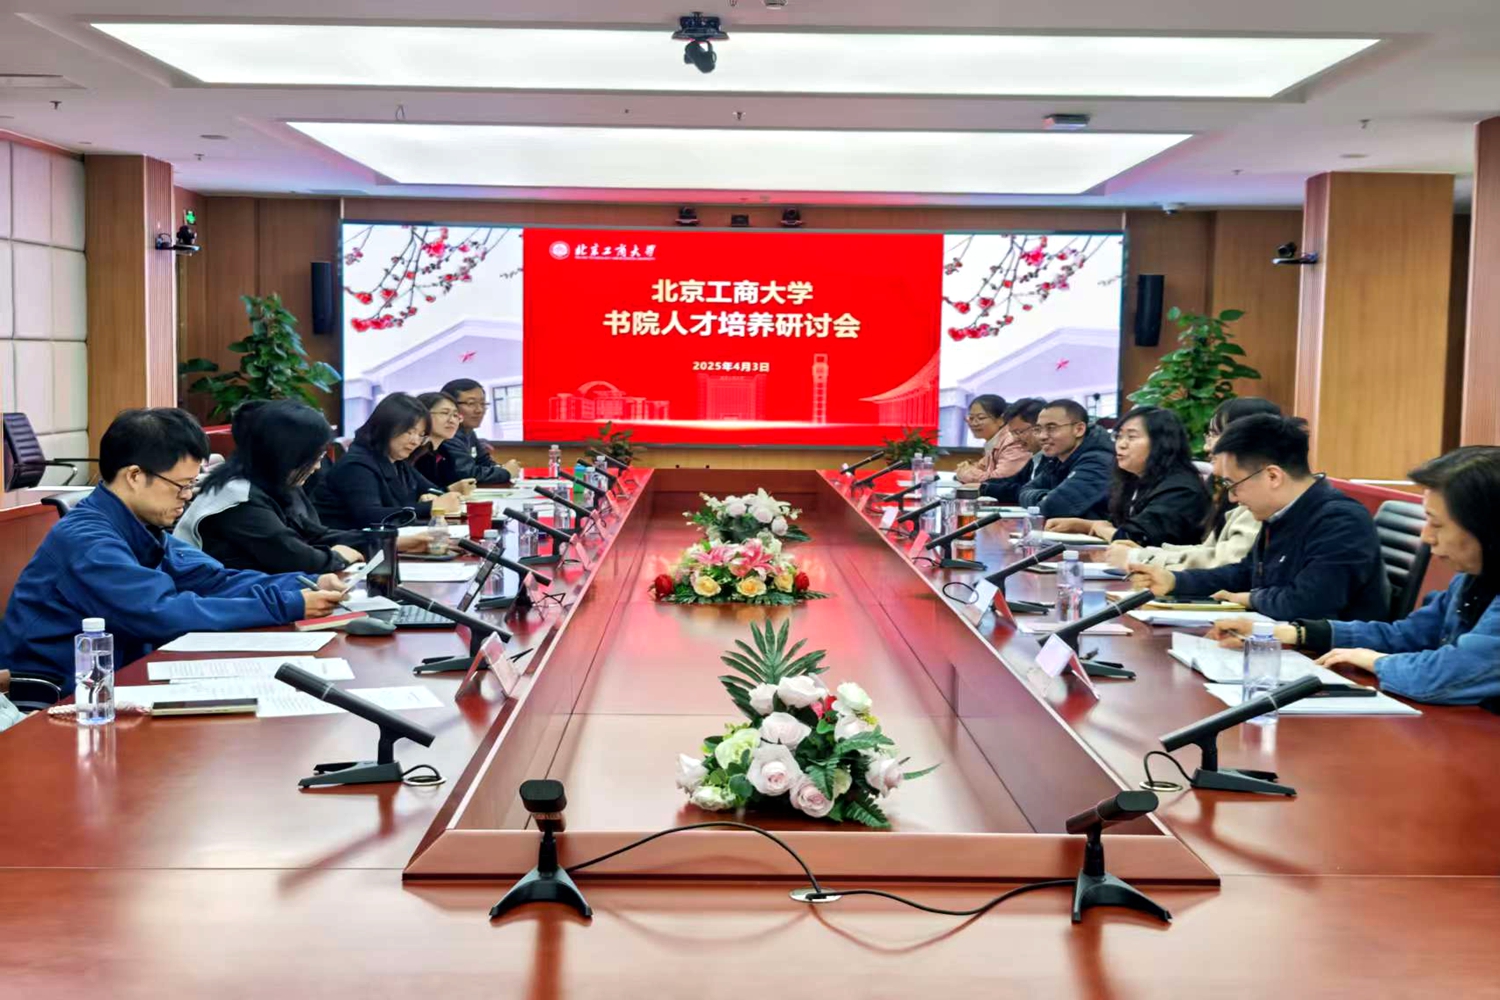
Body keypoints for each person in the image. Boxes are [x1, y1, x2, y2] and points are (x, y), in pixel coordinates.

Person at [0, 408, 345, 695]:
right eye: (181, 486)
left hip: (120, 680)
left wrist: (303, 583)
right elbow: (162, 613)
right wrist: (288, 604)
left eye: (192, 484)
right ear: (135, 476)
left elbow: (213, 580)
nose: (187, 496)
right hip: (63, 697)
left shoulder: (139, 526)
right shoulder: (89, 541)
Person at [1209, 447, 1500, 706]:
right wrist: (1291, 633)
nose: (1426, 536)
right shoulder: (1472, 578)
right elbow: (1408, 635)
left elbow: (1446, 676)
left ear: (1487, 528)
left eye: (1436, 524)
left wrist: (1376, 661)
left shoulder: (1337, 517)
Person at [1128, 413, 1388, 621]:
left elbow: (1308, 604)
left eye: (1233, 484)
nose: (1232, 498)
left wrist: (1250, 598)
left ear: (1273, 476)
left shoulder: (1340, 521)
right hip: (1278, 640)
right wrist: (1176, 580)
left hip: (1326, 659)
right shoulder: (1280, 512)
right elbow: (1246, 574)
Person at [175, 400, 431, 573]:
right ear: (288, 454)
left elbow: (314, 535)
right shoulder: (237, 499)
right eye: (314, 458)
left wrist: (389, 541)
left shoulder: (274, 483)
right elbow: (297, 557)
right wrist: (340, 557)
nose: (317, 467)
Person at [1106, 397, 1281, 572]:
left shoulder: (1182, 489)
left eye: (1216, 434)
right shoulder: (1230, 489)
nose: (1207, 447)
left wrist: (1140, 557)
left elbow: (1228, 562)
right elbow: (1208, 550)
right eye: (1119, 436)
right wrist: (1145, 554)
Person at [1045, 406, 1210, 547]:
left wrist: (1098, 527)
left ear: (1161, 443)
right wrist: (1084, 525)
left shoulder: (1180, 489)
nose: (1121, 444)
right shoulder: (1134, 479)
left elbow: (1135, 540)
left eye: (1131, 437)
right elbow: (1119, 527)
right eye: (1119, 436)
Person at [314, 393, 469, 531]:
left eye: (421, 434)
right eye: (409, 432)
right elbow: (370, 516)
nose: (415, 441)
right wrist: (430, 507)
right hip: (349, 547)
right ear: (386, 426)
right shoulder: (356, 465)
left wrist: (430, 497)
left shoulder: (398, 462)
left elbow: (432, 490)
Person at [1015, 399, 1114, 519]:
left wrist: (1048, 499)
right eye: (1038, 429)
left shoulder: (1098, 461)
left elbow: (1055, 506)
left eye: (1051, 428)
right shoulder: (1057, 459)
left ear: (1079, 429)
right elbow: (1024, 491)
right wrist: (1044, 497)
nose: (1042, 436)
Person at [440, 378, 522, 486]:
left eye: (483, 403)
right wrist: (505, 472)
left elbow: (485, 463)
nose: (479, 410)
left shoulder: (468, 432)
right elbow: (467, 474)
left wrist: (502, 468)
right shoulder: (447, 435)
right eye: (471, 403)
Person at [413, 391, 486, 493]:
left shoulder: (444, 452)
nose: (452, 421)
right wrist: (448, 490)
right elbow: (418, 494)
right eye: (445, 413)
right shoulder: (414, 454)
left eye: (455, 415)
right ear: (423, 416)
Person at [979, 397, 1047, 503]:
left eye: (1019, 432)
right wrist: (983, 485)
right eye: (1012, 433)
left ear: (1039, 427)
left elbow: (1024, 490)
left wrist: (985, 488)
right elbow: (1011, 481)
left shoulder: (1054, 460)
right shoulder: (1035, 458)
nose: (1015, 439)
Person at [954, 394, 1031, 485]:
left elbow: (999, 480)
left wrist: (966, 473)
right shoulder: (994, 441)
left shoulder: (1012, 441)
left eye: (981, 418)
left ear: (1001, 420)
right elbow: (980, 466)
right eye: (971, 418)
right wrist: (967, 469)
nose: (974, 423)